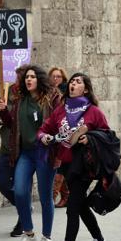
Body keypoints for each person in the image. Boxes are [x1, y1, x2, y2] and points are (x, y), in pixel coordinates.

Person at [38, 73, 110, 241]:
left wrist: (90, 138)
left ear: (85, 89)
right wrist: (44, 137)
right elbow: (45, 128)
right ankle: (99, 239)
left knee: (72, 208)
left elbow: (107, 136)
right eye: (72, 81)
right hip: (67, 164)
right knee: (81, 205)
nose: (73, 84)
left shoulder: (94, 111)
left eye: (78, 82)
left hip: (85, 165)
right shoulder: (61, 110)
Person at [0, 65, 62, 241]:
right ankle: (29, 234)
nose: (28, 79)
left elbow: (59, 124)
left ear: (39, 79)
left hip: (44, 153)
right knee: (20, 192)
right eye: (26, 77)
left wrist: (56, 148)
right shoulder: (21, 100)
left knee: (45, 195)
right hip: (25, 153)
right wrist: (2, 111)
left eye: (32, 77)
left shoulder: (51, 99)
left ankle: (47, 237)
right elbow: (12, 124)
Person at [0, 65, 28, 237]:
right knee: (2, 180)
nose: (19, 80)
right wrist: (1, 108)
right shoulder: (6, 92)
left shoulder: (30, 97)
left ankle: (23, 220)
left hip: (25, 148)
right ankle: (24, 206)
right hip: (7, 146)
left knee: (22, 185)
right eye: (19, 77)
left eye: (22, 77)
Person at [48, 67, 70, 208]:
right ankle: (66, 194)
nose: (55, 79)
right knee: (56, 165)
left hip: (63, 133)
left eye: (59, 77)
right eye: (53, 76)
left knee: (59, 165)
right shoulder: (46, 92)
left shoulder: (66, 93)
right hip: (50, 132)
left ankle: (53, 196)